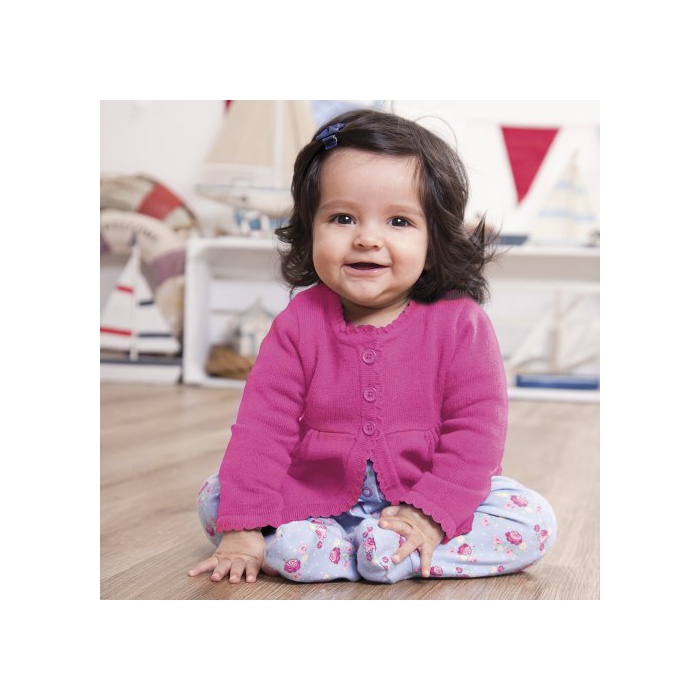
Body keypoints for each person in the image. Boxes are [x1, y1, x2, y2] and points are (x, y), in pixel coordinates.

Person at [188, 108, 557, 584]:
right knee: (217, 498)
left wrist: (431, 512)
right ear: (309, 228)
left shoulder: (461, 323)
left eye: (399, 221)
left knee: (534, 520)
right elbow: (263, 428)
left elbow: (476, 434)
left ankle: (388, 551)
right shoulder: (298, 324)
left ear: (434, 240)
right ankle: (349, 551)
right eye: (342, 218)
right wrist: (242, 529)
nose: (366, 239)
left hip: (429, 494)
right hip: (319, 496)